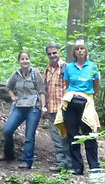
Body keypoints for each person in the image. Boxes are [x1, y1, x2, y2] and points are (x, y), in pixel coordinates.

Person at [56, 40, 101, 175]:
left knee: (90, 134)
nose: (80, 51)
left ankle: (94, 167)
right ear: (74, 52)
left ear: (85, 51)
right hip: (70, 102)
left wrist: (88, 95)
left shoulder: (93, 67)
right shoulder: (69, 67)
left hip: (86, 102)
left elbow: (96, 86)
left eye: (82, 49)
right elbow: (67, 83)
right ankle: (78, 167)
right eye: (77, 49)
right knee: (72, 135)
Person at [1, 51, 46, 169]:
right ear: (19, 61)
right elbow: (8, 87)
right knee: (7, 130)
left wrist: (43, 106)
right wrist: (12, 96)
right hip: (20, 107)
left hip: (33, 108)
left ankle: (28, 161)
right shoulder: (16, 74)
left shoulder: (35, 74)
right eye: (22, 59)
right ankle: (8, 154)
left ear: (30, 60)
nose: (25, 61)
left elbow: (42, 91)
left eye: (27, 58)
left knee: (29, 136)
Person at [41, 43, 71, 172]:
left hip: (64, 109)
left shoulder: (67, 68)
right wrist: (44, 107)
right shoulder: (47, 70)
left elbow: (71, 87)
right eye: (49, 53)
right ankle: (61, 163)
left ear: (59, 53)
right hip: (51, 109)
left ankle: (70, 163)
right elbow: (45, 90)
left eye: (54, 53)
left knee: (66, 137)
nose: (52, 55)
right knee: (56, 138)